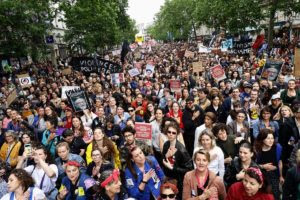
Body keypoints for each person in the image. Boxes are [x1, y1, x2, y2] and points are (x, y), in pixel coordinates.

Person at [162, 122, 193, 199]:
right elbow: (163, 161)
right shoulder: (166, 144)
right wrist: (166, 156)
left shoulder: (182, 150)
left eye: (173, 133)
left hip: (178, 181)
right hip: (168, 177)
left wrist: (173, 168)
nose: (171, 134)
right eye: (169, 132)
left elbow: (189, 169)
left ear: (177, 134)